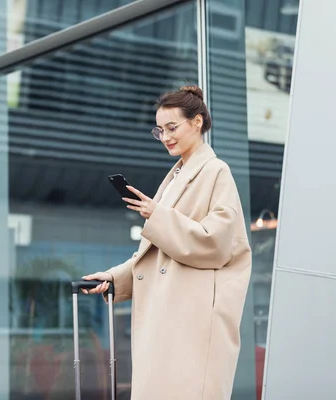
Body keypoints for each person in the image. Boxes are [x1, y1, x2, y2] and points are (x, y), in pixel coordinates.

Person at [83, 85, 252, 399]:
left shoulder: (216, 171)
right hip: (169, 315)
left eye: (172, 127)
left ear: (197, 122)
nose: (165, 137)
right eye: (159, 130)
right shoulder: (177, 174)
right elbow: (157, 255)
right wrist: (114, 279)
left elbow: (215, 244)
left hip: (192, 320)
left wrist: (155, 214)